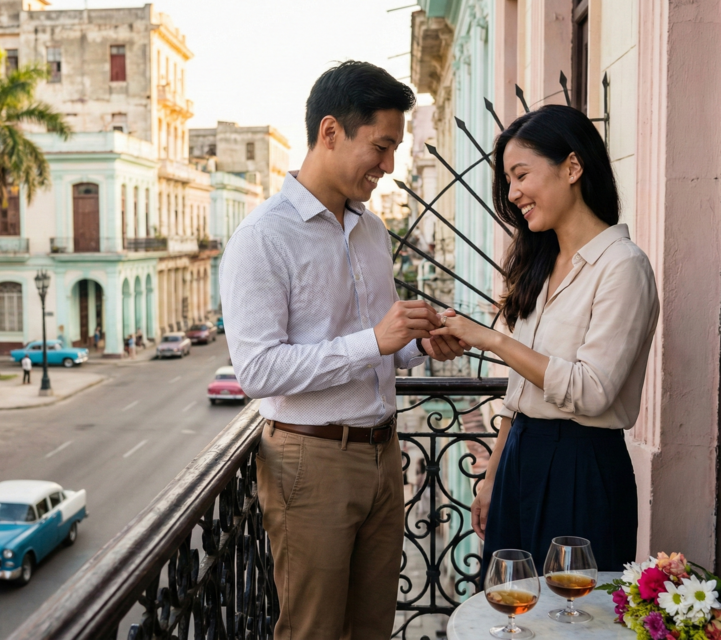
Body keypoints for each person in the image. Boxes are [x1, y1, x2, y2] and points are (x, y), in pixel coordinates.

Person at [220, 61, 464, 640]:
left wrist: (418, 346)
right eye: (380, 147)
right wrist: (373, 341)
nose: (388, 166)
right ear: (330, 132)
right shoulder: (262, 239)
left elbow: (379, 343)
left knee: (372, 627)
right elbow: (257, 371)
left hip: (384, 453)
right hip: (311, 461)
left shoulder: (371, 228)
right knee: (314, 631)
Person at [429, 104, 660, 576]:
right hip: (520, 459)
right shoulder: (538, 264)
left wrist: (492, 341)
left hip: (582, 467)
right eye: (508, 182)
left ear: (572, 167)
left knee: (571, 618)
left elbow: (592, 391)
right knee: (507, 610)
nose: (513, 194)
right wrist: (492, 477)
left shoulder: (623, 267)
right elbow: (520, 395)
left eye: (520, 175)